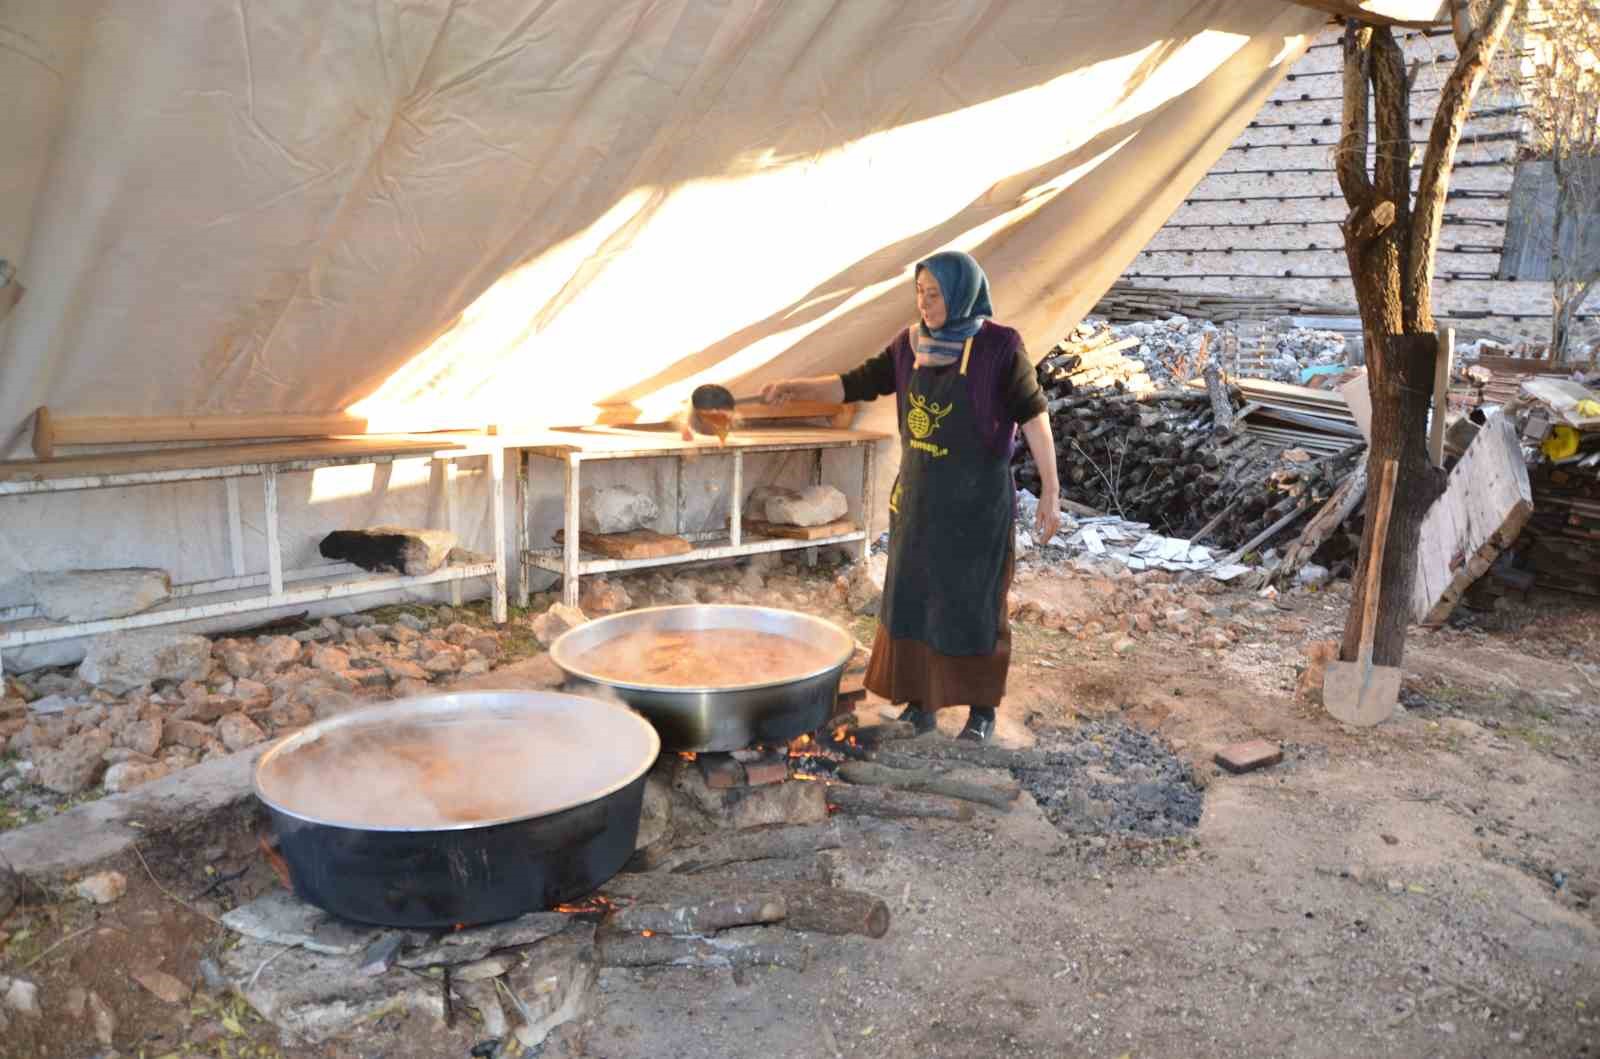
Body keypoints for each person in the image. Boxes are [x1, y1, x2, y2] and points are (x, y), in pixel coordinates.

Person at [762, 251, 1061, 743]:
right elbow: (854, 384)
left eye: (934, 293)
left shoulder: (1000, 347)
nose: (924, 303)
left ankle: (980, 713)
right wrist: (796, 388)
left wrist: (1050, 490)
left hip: (976, 508)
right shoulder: (910, 345)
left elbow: (1033, 415)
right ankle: (920, 705)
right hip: (919, 503)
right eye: (919, 293)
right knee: (915, 600)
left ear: (962, 292)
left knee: (973, 604)